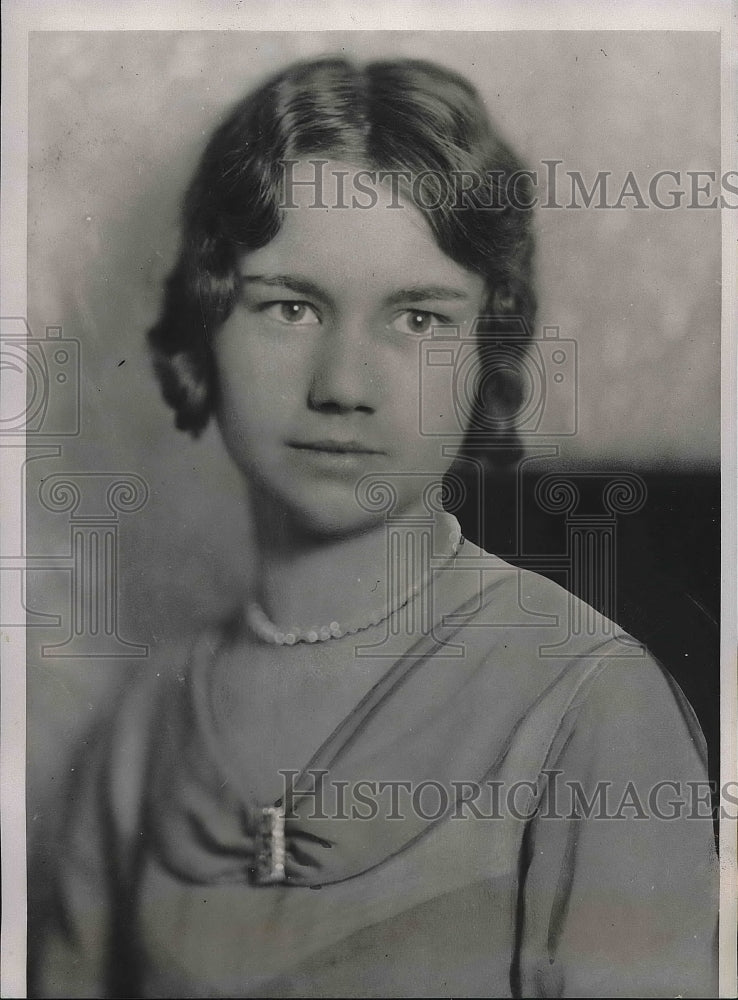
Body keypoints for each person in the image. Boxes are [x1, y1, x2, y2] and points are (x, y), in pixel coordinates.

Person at [31, 56, 718, 998]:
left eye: (419, 319)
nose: (342, 386)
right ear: (206, 318)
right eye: (289, 305)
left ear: (490, 347)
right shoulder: (144, 730)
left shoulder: (590, 709)